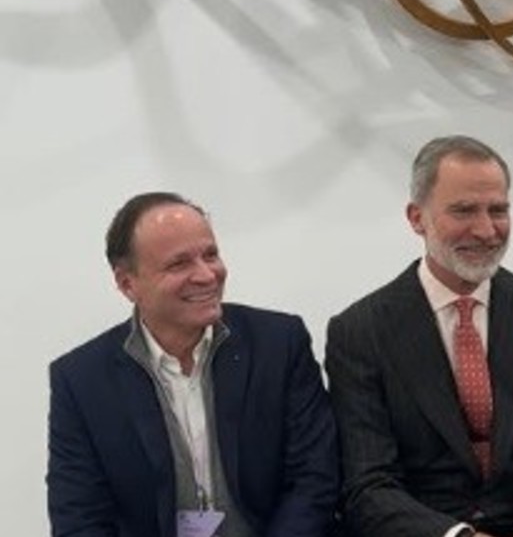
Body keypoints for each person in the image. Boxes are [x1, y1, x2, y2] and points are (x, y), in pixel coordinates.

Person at [325, 135, 513, 537]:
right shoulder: (360, 332)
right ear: (416, 218)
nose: (486, 230)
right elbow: (368, 485)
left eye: (498, 210)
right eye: (464, 210)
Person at [47, 192, 340, 537]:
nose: (206, 275)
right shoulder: (81, 380)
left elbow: (314, 479)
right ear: (127, 284)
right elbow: (79, 517)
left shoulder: (278, 343)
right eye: (179, 264)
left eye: (210, 255)